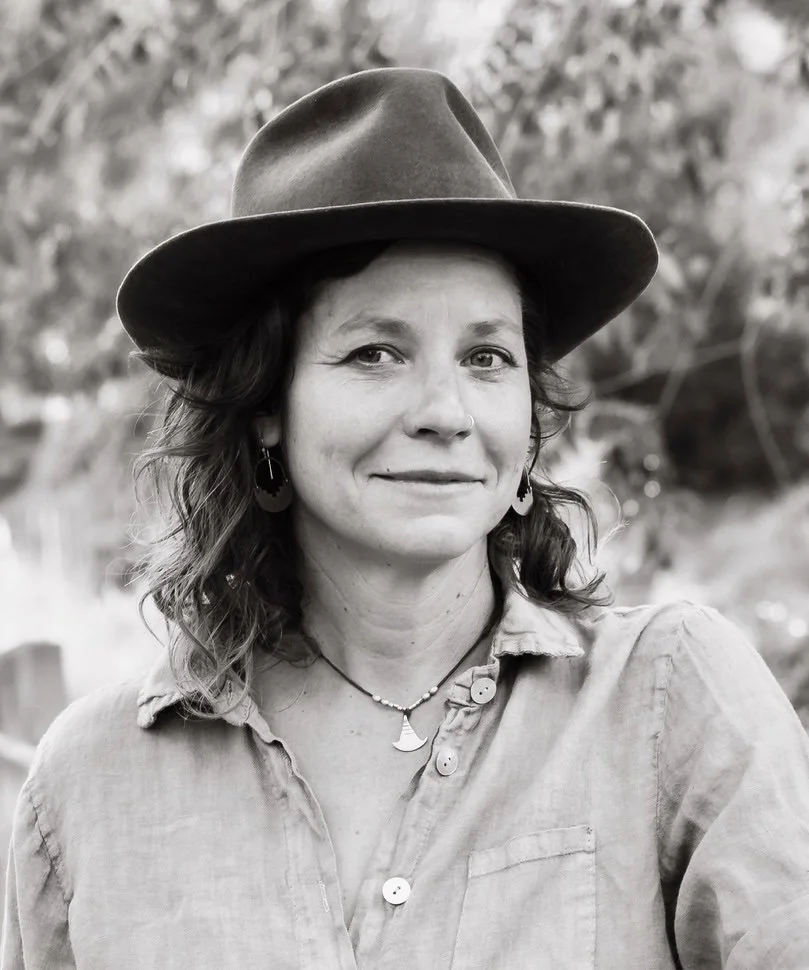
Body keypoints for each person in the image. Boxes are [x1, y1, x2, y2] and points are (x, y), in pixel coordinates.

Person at [3, 67, 809, 970]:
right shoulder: (89, 788)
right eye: (375, 352)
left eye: (487, 356)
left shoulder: (666, 699)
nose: (445, 409)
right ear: (267, 403)